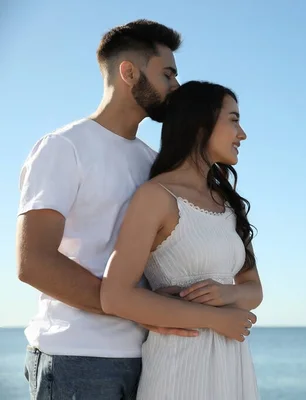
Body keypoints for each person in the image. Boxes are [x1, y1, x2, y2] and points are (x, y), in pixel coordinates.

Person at [16, 19, 195, 399]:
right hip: (76, 357)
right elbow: (34, 263)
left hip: (149, 357)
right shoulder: (64, 147)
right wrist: (135, 308)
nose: (176, 87)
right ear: (128, 72)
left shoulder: (153, 162)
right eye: (167, 74)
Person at [100, 80, 263, 399]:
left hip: (232, 363)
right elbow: (115, 296)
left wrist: (225, 294)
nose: (241, 133)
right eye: (233, 120)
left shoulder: (228, 203)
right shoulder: (156, 197)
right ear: (201, 123)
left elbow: (254, 290)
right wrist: (216, 318)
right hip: (179, 364)